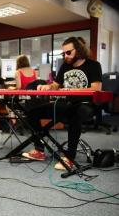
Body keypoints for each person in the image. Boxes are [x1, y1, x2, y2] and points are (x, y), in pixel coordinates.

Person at [22, 37, 102, 170]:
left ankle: (70, 157)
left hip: (85, 105)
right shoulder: (65, 66)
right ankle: (39, 150)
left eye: (68, 52)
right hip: (65, 103)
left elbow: (96, 88)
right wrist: (48, 87)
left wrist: (72, 89)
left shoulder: (93, 65)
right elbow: (55, 84)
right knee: (32, 112)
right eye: (63, 53)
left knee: (75, 113)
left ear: (79, 50)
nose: (66, 56)